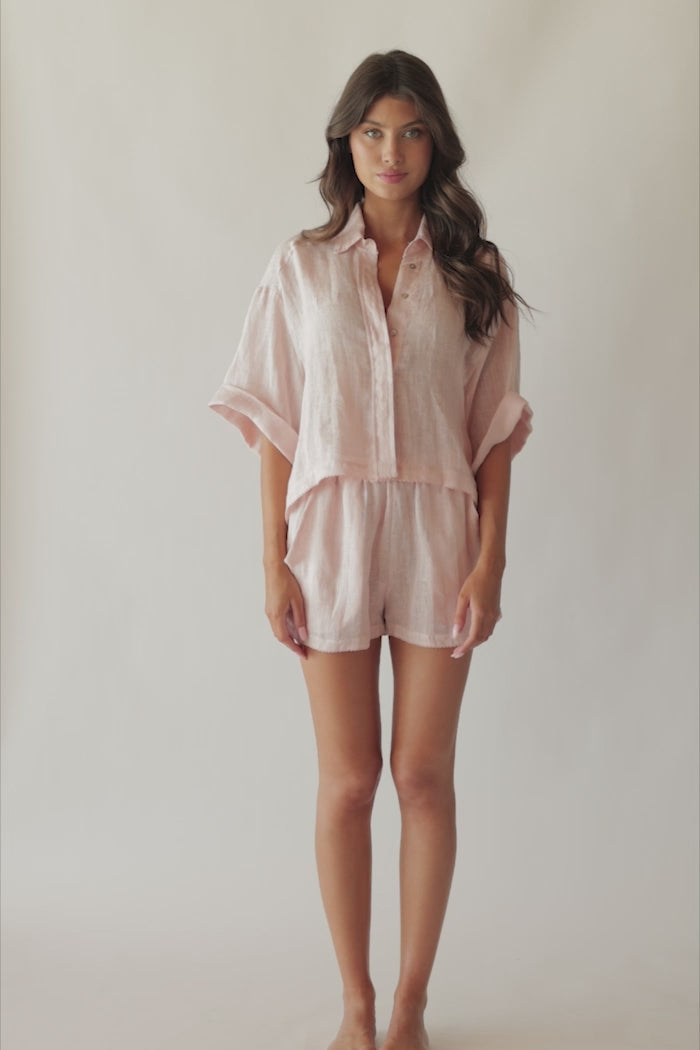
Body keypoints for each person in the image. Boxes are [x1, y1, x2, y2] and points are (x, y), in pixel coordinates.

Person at [209, 49, 533, 1050]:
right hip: (333, 537)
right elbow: (273, 421)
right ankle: (354, 1003)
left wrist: (491, 560)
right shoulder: (300, 269)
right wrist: (273, 560)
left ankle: (410, 1006)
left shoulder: (476, 275)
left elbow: (491, 432)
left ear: (435, 143)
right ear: (345, 143)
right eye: (372, 131)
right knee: (347, 782)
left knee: (422, 778)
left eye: (411, 131)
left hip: (440, 537)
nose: (390, 151)